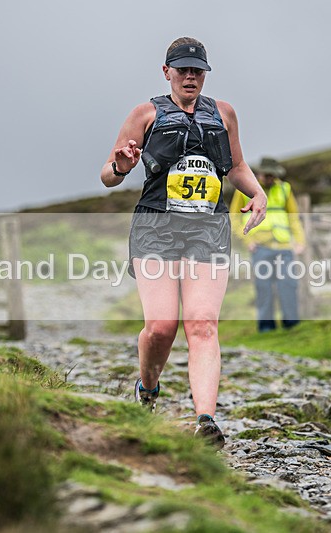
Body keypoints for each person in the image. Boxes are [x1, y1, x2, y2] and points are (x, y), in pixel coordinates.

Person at [100, 37, 266, 447]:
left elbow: (237, 166)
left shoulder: (223, 114)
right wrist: (121, 166)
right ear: (166, 72)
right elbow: (107, 173)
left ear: (205, 73)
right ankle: (148, 388)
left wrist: (257, 193)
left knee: (203, 324)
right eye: (182, 69)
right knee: (160, 327)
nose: (190, 76)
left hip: (207, 230)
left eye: (197, 70)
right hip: (156, 228)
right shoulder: (146, 113)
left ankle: (205, 419)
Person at [230, 157, 306, 332]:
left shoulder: (284, 189)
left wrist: (300, 241)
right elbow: (234, 218)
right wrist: (247, 240)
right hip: (260, 248)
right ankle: (266, 328)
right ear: (260, 174)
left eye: (273, 175)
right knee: (263, 287)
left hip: (283, 246)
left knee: (288, 285)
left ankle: (292, 325)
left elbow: (293, 218)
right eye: (267, 175)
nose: (270, 178)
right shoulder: (244, 189)